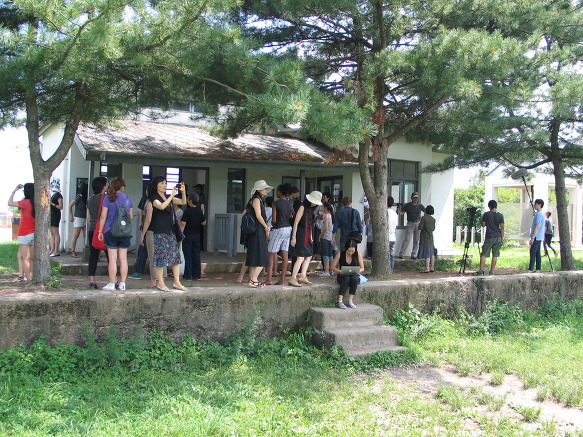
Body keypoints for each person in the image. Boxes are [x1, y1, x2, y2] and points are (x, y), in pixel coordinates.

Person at [149, 176, 187, 291]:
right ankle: (161, 283)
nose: (165, 185)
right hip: (159, 231)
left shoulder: (167, 197)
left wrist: (183, 192)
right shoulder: (153, 198)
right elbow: (161, 206)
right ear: (156, 185)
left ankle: (177, 282)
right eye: (162, 183)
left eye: (165, 183)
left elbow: (183, 202)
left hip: (170, 231)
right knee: (161, 258)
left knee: (175, 257)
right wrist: (171, 196)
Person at [97, 177, 134, 291]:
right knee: (123, 259)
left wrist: (100, 231)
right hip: (124, 232)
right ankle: (122, 284)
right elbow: (130, 217)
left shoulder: (108, 198)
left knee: (112, 259)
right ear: (122, 187)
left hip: (110, 230)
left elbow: (103, 216)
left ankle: (112, 284)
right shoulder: (128, 199)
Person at [289, 191, 322, 287]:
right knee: (300, 257)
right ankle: (293, 277)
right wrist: (293, 237)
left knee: (308, 256)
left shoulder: (310, 209)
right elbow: (296, 222)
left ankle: (303, 275)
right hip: (301, 234)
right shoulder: (302, 207)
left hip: (308, 234)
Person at [243, 180, 273, 288]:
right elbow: (258, 216)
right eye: (264, 188)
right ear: (259, 189)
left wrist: (265, 226)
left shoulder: (258, 200)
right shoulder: (256, 199)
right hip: (257, 231)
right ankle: (254, 279)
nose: (266, 190)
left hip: (257, 230)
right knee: (263, 256)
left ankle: (252, 279)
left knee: (254, 255)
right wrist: (266, 226)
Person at [138, 182, 167, 288]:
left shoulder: (150, 201)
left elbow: (148, 220)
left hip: (152, 231)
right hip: (163, 231)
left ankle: (154, 282)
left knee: (153, 257)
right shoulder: (163, 200)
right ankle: (161, 281)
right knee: (162, 257)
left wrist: (142, 234)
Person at [266, 184, 294, 285]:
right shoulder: (290, 203)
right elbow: (291, 215)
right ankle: (282, 279)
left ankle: (269, 278)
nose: (276, 193)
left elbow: (273, 220)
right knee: (285, 254)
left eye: (277, 191)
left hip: (278, 229)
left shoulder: (275, 203)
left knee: (271, 253)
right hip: (288, 229)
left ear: (280, 192)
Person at [8, 183, 35, 282]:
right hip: (35, 233)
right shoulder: (37, 202)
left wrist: (15, 190)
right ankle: (33, 277)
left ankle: (28, 279)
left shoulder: (25, 202)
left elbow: (10, 203)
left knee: (25, 258)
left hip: (24, 233)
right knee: (32, 258)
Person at [87, 177, 108, 289]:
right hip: (104, 229)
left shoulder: (90, 199)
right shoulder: (106, 198)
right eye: (106, 184)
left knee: (93, 255)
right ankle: (112, 280)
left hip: (92, 228)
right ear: (103, 187)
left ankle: (92, 280)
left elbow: (89, 216)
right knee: (110, 255)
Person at [330, 240, 365, 309]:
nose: (350, 253)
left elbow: (362, 268)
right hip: (342, 276)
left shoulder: (358, 255)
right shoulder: (340, 254)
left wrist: (357, 271)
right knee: (346, 278)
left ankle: (350, 300)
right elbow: (332, 267)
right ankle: (340, 300)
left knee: (354, 279)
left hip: (354, 275)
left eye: (352, 251)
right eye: (348, 251)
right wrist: (340, 271)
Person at [180, 193, 206, 280]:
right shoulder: (199, 211)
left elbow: (183, 223)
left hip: (188, 235)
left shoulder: (187, 211)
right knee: (196, 255)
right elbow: (204, 222)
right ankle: (197, 274)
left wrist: (180, 234)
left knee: (187, 254)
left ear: (190, 200)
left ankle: (188, 275)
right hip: (197, 235)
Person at [475, 200, 505, 276]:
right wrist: (502, 238)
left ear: (489, 206)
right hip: (498, 236)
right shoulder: (500, 215)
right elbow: (502, 228)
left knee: (484, 254)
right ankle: (492, 271)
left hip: (489, 236)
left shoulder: (486, 214)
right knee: (495, 255)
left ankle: (481, 270)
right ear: (496, 206)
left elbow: (483, 225)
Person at [128, 187, 150, 280]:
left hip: (149, 230)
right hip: (146, 228)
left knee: (143, 250)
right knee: (142, 250)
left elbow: (148, 219)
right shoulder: (145, 198)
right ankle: (138, 269)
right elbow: (141, 210)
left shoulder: (153, 201)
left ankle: (139, 271)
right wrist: (140, 221)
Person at [397, 192, 425, 259]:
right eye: (414, 198)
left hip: (417, 223)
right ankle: (401, 253)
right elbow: (402, 213)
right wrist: (399, 212)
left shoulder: (420, 206)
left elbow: (425, 212)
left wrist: (423, 220)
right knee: (407, 238)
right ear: (411, 198)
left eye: (416, 198)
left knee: (416, 240)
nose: (415, 199)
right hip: (410, 223)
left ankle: (414, 254)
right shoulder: (407, 205)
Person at [68, 181, 88, 258]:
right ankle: (73, 251)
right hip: (79, 217)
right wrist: (71, 216)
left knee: (85, 236)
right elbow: (70, 205)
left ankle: (86, 250)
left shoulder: (86, 197)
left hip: (85, 217)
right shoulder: (79, 197)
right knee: (76, 235)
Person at [528, 199, 546, 273]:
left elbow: (537, 226)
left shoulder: (538, 214)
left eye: (535, 204)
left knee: (533, 252)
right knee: (537, 253)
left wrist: (532, 237)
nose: (534, 205)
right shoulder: (541, 213)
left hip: (536, 236)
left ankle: (530, 269)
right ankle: (538, 269)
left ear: (539, 205)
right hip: (540, 236)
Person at [417, 205, 436, 273]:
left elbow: (420, 227)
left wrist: (420, 222)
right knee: (432, 253)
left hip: (425, 237)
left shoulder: (424, 218)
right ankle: (432, 267)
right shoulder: (433, 219)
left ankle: (427, 268)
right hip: (431, 237)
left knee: (427, 254)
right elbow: (433, 228)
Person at [318, 201, 334, 277]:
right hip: (330, 237)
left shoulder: (326, 216)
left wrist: (321, 235)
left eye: (322, 206)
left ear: (325, 208)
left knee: (325, 254)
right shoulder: (330, 215)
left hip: (326, 237)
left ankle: (327, 271)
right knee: (330, 254)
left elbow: (326, 228)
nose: (321, 208)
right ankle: (331, 270)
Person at [49, 178, 63, 257]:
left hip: (56, 214)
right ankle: (52, 249)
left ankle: (56, 250)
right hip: (51, 215)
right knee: (52, 233)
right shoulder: (53, 195)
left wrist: (52, 204)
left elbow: (61, 206)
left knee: (55, 232)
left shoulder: (59, 195)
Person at [387, 196, 398, 272]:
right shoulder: (394, 213)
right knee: (391, 254)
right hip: (392, 236)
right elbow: (395, 226)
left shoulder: (384, 212)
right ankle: (391, 269)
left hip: (385, 237)